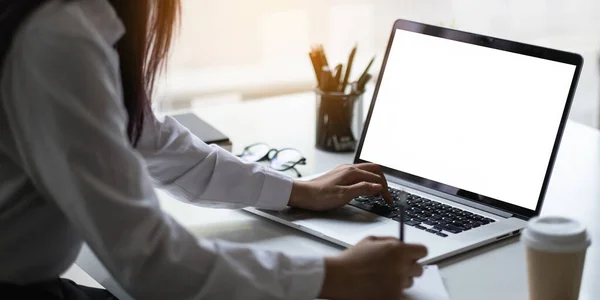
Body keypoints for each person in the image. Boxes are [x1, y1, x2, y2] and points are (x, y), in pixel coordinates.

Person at [0, 0, 428, 299]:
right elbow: (150, 261)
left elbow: (150, 138)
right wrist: (336, 275)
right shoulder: (59, 37)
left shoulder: (75, 21)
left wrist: (296, 191)